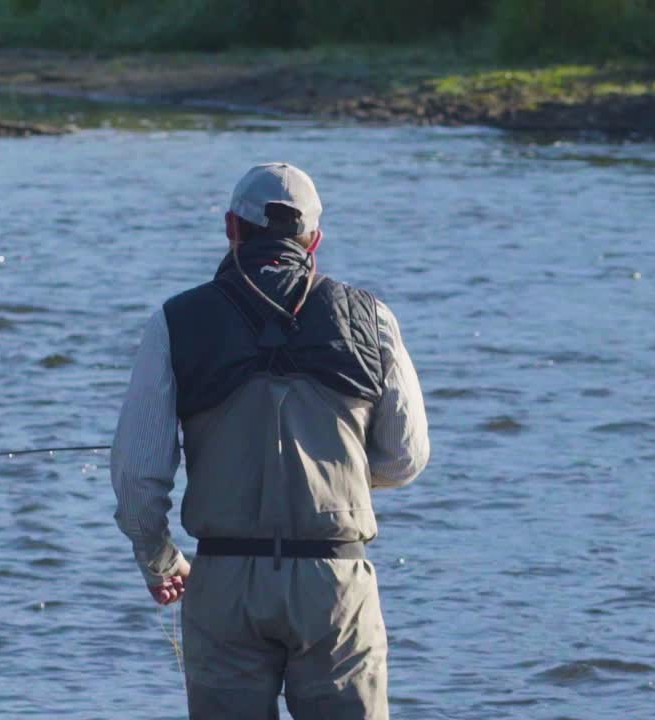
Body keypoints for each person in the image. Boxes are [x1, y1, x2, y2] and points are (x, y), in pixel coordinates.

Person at [110, 162, 430, 719]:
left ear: (232, 228)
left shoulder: (176, 321)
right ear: (315, 240)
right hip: (335, 583)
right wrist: (340, 471)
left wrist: (160, 560)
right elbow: (405, 457)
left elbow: (139, 478)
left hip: (224, 582)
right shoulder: (372, 316)